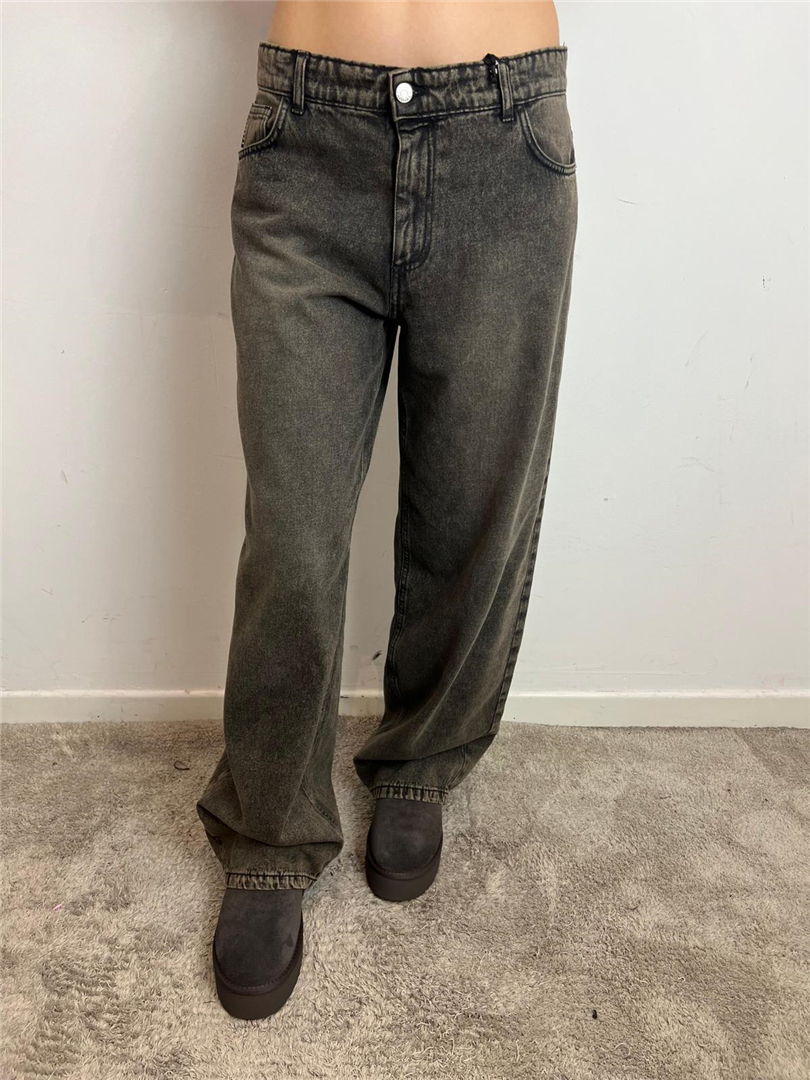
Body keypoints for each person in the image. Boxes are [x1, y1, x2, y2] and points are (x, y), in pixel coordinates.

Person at [197, 0, 578, 1019]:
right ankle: (270, 829)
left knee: (473, 500)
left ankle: (420, 760)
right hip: (307, 142)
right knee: (293, 533)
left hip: (505, 138)